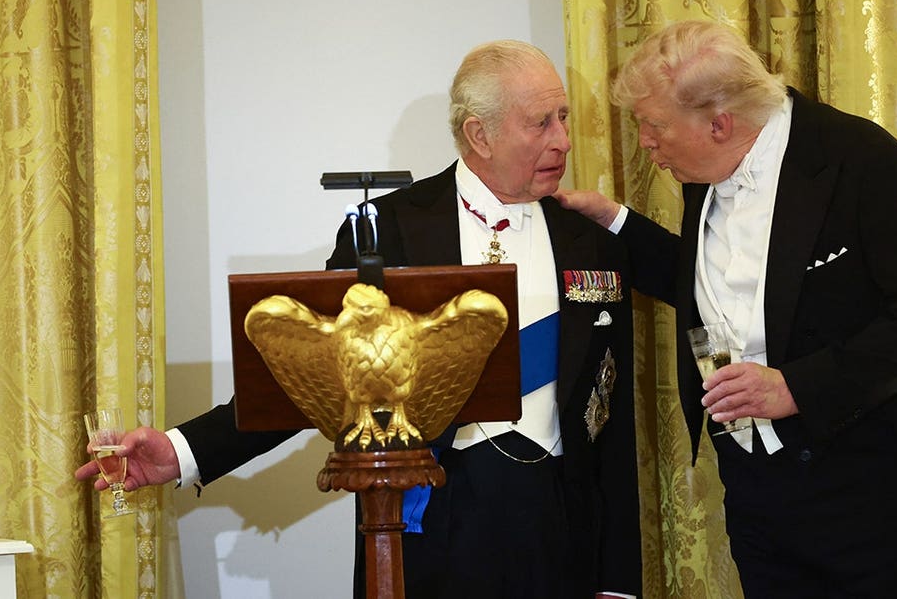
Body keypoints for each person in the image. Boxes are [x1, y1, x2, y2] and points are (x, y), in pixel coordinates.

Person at [76, 40, 642, 598]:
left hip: (562, 532)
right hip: (425, 523)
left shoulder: (591, 239)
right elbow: (313, 373)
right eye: (540, 123)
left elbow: (613, 424)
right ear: (479, 134)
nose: (563, 141)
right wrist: (182, 450)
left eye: (563, 117)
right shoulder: (387, 229)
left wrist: (618, 581)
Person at [556, 19, 897, 597]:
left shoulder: (863, 161)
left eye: (653, 128)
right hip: (753, 484)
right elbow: (716, 285)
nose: (645, 143)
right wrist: (615, 224)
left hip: (866, 486)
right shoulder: (706, 166)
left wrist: (796, 386)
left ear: (719, 123)